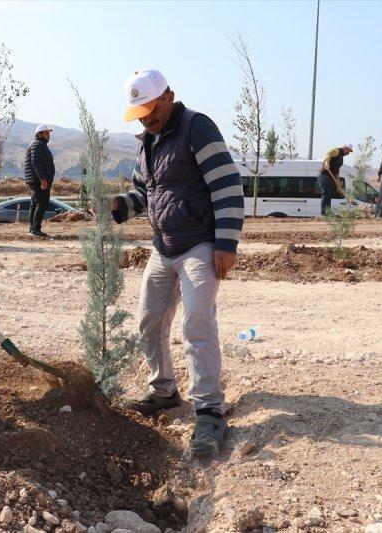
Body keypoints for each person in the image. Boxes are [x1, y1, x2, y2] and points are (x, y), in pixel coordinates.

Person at [111, 69, 245, 456]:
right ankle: (163, 391)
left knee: (197, 323)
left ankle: (209, 411)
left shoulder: (196, 127)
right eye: (140, 113)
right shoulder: (147, 143)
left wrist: (226, 242)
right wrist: (119, 206)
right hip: (163, 247)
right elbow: (144, 192)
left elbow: (227, 184)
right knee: (150, 320)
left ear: (169, 96)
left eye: (151, 110)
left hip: (199, 244)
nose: (146, 119)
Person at [24, 125, 55, 237]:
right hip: (38, 180)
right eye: (46, 133)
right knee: (41, 203)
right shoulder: (37, 145)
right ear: (40, 134)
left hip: (37, 180)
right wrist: (43, 179)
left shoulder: (41, 145)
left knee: (36, 203)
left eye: (48, 133)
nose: (48, 135)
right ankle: (35, 229)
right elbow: (36, 164)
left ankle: (33, 229)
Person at [317, 144, 353, 215]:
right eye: (348, 150)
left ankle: (328, 212)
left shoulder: (341, 159)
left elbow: (337, 171)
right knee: (326, 194)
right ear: (345, 148)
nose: (348, 153)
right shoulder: (337, 151)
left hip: (331, 177)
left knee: (329, 194)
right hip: (324, 175)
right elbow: (328, 154)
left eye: (350, 151)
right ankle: (324, 213)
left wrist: (338, 183)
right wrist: (327, 163)